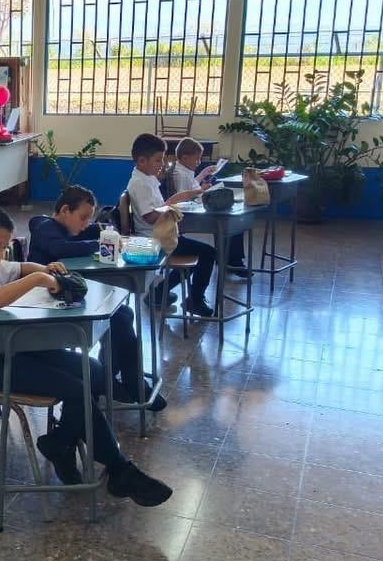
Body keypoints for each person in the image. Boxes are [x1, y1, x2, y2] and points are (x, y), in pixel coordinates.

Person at [0, 202, 173, 506]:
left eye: (3, 248)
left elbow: (22, 267)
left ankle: (59, 442)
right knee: (76, 389)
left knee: (94, 371)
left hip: (17, 350)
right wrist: (38, 280)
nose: (0, 255)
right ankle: (119, 470)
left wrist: (45, 269)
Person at [27, 185, 166, 411]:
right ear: (64, 211)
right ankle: (123, 380)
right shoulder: (45, 228)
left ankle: (115, 375)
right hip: (47, 302)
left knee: (123, 312)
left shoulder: (64, 227)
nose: (84, 224)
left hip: (65, 293)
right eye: (82, 218)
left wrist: (103, 230)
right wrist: (102, 244)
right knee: (119, 316)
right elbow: (60, 248)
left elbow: (86, 232)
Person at [126, 133, 216, 317]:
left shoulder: (147, 178)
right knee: (208, 253)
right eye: (158, 160)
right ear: (142, 161)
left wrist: (170, 204)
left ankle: (160, 292)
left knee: (197, 253)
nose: (162, 164)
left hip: (161, 233)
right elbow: (151, 217)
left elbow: (156, 209)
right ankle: (195, 301)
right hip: (154, 240)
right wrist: (173, 201)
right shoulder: (139, 183)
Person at [167, 137, 248, 278]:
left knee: (232, 222)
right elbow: (184, 196)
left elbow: (191, 186)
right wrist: (201, 190)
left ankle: (231, 260)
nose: (198, 162)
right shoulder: (180, 174)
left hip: (194, 207)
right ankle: (233, 262)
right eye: (197, 159)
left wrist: (202, 175)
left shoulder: (183, 170)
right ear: (185, 158)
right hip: (188, 215)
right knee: (230, 223)